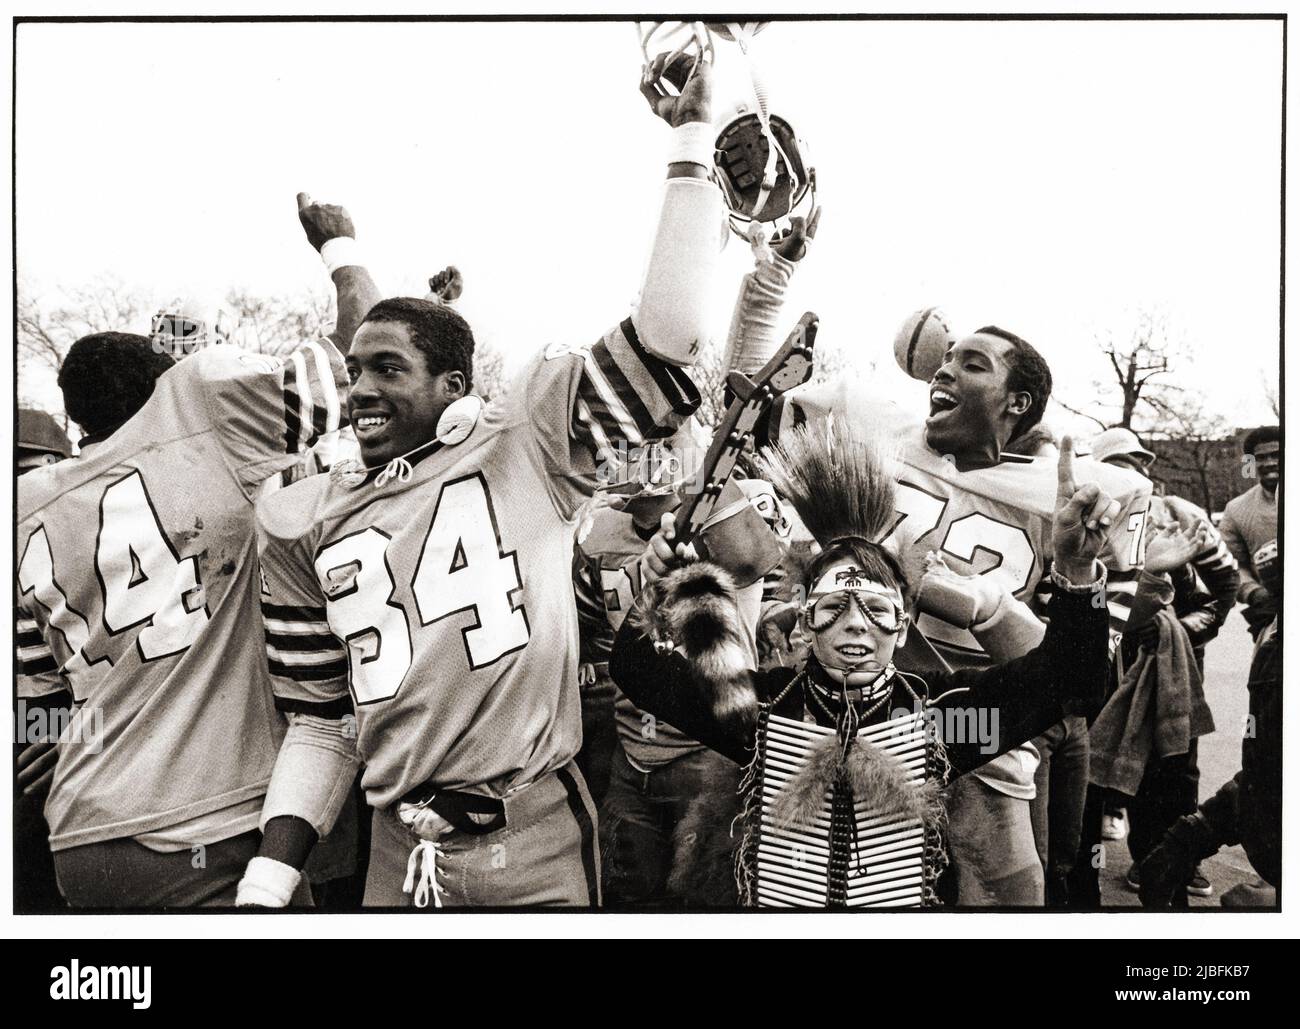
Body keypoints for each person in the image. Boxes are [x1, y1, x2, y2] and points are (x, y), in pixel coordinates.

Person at [236, 57, 725, 908]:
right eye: (355, 371)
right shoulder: (301, 516)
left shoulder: (521, 446)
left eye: (389, 368)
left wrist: (691, 144)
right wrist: (269, 878)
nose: (361, 390)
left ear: (455, 390)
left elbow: (670, 338)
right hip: (399, 851)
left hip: (529, 835)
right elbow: (322, 721)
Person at [16, 197, 377, 907]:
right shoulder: (203, 411)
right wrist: (341, 245)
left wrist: (58, 739)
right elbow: (360, 343)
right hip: (205, 826)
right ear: (160, 388)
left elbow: (39, 696)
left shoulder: (26, 504)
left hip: (82, 835)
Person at [610, 418, 1119, 908]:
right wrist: (663, 584)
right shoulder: (754, 711)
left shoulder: (945, 721)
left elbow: (1071, 681)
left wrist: (1076, 570)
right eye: (834, 608)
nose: (855, 624)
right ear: (805, 622)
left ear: (900, 629)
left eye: (876, 610)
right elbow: (637, 670)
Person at [766, 327, 1151, 905]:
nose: (944, 371)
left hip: (980, 729)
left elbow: (1076, 672)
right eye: (945, 360)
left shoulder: (1073, 498)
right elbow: (760, 409)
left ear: (1017, 403)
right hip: (862, 720)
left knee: (1006, 900)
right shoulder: (876, 442)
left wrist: (993, 607)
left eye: (972, 365)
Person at [1089, 426, 1239, 901]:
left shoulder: (1181, 515)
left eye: (1133, 462)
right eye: (1113, 466)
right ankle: (1117, 853)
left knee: (1175, 767)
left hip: (1174, 665)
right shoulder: (1093, 519)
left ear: (1146, 467)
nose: (1126, 473)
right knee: (1104, 763)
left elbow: (1225, 587)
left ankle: (1176, 860)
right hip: (1108, 662)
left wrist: (1183, 632)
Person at [1219, 425, 1280, 641]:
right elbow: (1230, 564)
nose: (1270, 463)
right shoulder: (1237, 509)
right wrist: (1254, 592)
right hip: (1272, 616)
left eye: (1277, 455)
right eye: (1261, 457)